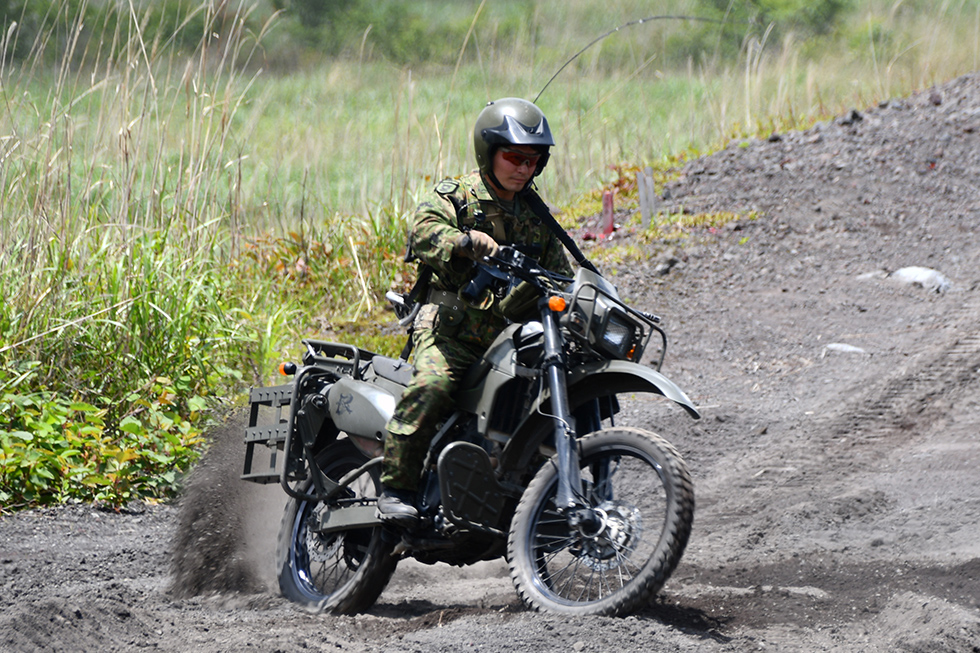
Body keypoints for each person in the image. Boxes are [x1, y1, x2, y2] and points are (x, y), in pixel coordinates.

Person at [377, 97, 574, 526]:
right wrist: (464, 242)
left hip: (508, 342)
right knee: (433, 386)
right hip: (451, 333)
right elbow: (422, 231)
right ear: (490, 152)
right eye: (515, 157)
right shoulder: (458, 195)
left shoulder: (535, 214)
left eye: (533, 161)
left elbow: (561, 274)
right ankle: (396, 488)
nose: (523, 168)